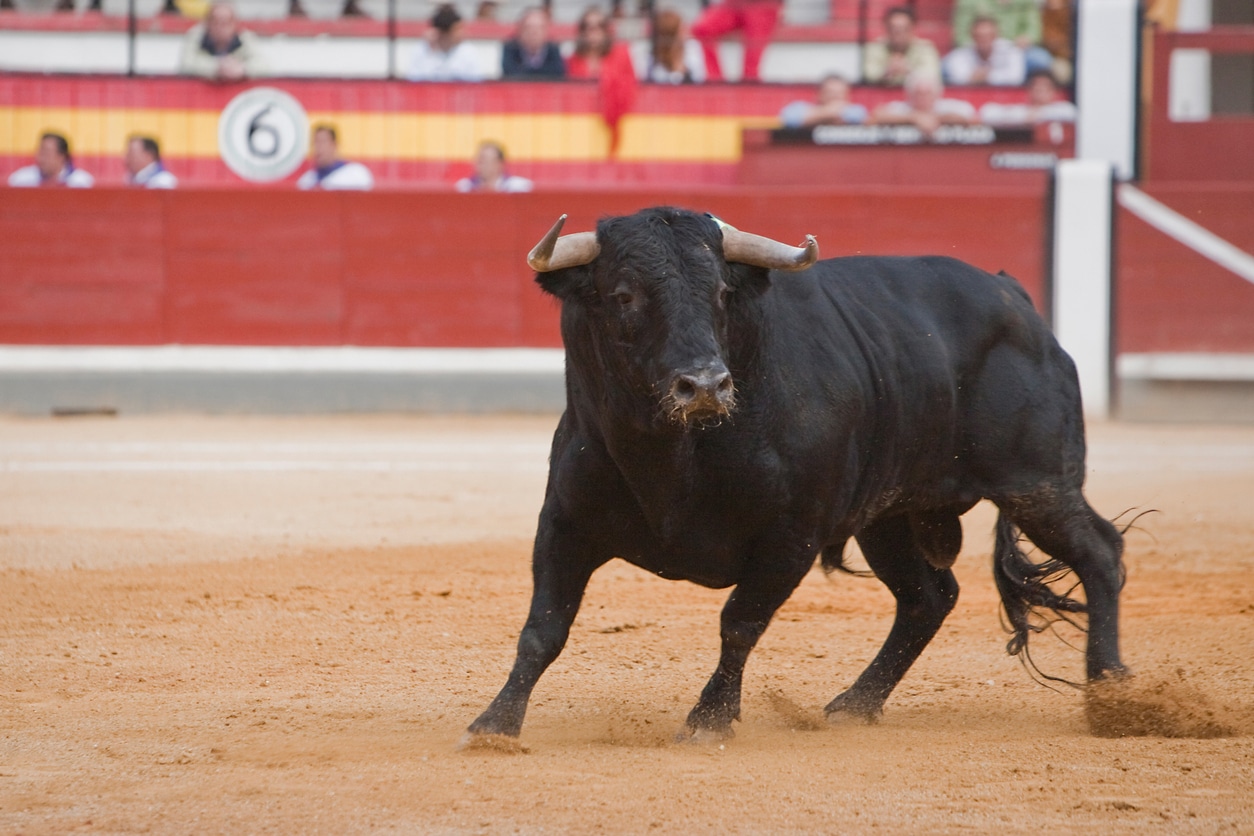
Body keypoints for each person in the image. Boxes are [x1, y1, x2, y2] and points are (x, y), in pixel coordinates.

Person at [690, 0, 781, 83]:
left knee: (751, 67)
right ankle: (716, 82)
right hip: (734, 4)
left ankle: (749, 92)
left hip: (763, 5)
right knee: (702, 29)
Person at [951, 0, 1052, 75]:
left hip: (1017, 49)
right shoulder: (969, 2)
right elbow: (961, 37)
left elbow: (1034, 31)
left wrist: (1027, 39)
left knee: (1040, 59)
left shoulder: (1026, 2)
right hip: (977, 51)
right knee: (947, 66)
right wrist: (982, 43)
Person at [871, 71, 977, 138]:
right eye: (918, 93)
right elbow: (877, 116)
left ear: (937, 94)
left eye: (927, 93)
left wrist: (938, 119)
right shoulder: (904, 108)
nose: (922, 98)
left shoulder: (945, 106)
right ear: (909, 95)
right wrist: (914, 118)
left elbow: (971, 118)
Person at [178, 2, 267, 81]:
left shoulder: (245, 38)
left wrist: (243, 69)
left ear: (234, 24)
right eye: (216, 22)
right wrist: (216, 68)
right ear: (207, 23)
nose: (220, 28)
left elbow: (265, 65)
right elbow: (186, 65)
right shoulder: (196, 36)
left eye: (225, 22)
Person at [862, 6, 941, 87]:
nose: (898, 34)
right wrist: (886, 72)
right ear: (886, 28)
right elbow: (868, 75)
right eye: (893, 29)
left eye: (903, 29)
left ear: (913, 28)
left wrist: (908, 70)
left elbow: (931, 76)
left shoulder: (925, 48)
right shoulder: (875, 47)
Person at [942, 16, 1026, 86]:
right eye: (979, 36)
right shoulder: (961, 53)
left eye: (988, 36)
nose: (984, 41)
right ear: (972, 36)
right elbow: (956, 77)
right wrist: (974, 77)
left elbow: (1016, 77)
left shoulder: (1010, 50)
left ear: (996, 36)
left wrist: (989, 76)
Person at [408, 4, 482, 82]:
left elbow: (476, 82)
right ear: (444, 32)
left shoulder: (468, 51)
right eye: (457, 29)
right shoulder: (422, 49)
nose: (462, 33)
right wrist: (432, 53)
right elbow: (414, 81)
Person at [979, 68, 1077, 125]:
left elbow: (1072, 113)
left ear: (1054, 92)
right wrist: (1024, 116)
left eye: (1045, 87)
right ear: (1029, 91)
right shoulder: (1020, 110)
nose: (1040, 90)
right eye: (1036, 87)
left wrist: (1039, 114)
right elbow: (987, 112)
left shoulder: (1063, 109)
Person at [296, 124, 375, 191]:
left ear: (334, 145)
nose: (318, 147)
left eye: (323, 141)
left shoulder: (356, 174)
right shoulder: (307, 181)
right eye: (314, 142)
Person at [8, 132, 94, 188]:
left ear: (62, 156)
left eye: (46, 153)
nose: (40, 157)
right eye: (40, 152)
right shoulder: (22, 180)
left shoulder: (80, 183)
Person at [778, 74, 867, 128]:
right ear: (819, 94)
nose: (835, 97)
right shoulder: (799, 108)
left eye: (840, 93)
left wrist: (813, 118)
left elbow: (858, 116)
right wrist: (828, 113)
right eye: (830, 92)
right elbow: (790, 118)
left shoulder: (856, 109)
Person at [501, 7, 566, 79]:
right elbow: (510, 73)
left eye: (538, 28)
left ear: (546, 31)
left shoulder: (554, 50)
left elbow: (556, 74)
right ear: (519, 30)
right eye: (529, 28)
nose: (533, 33)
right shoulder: (510, 49)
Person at [645, 8, 705, 84]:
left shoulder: (692, 47)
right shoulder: (651, 56)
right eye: (681, 28)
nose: (686, 30)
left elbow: (699, 79)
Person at [456, 141, 533, 192]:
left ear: (499, 164)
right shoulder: (465, 187)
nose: (479, 164)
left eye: (484, 160)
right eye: (479, 160)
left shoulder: (518, 187)